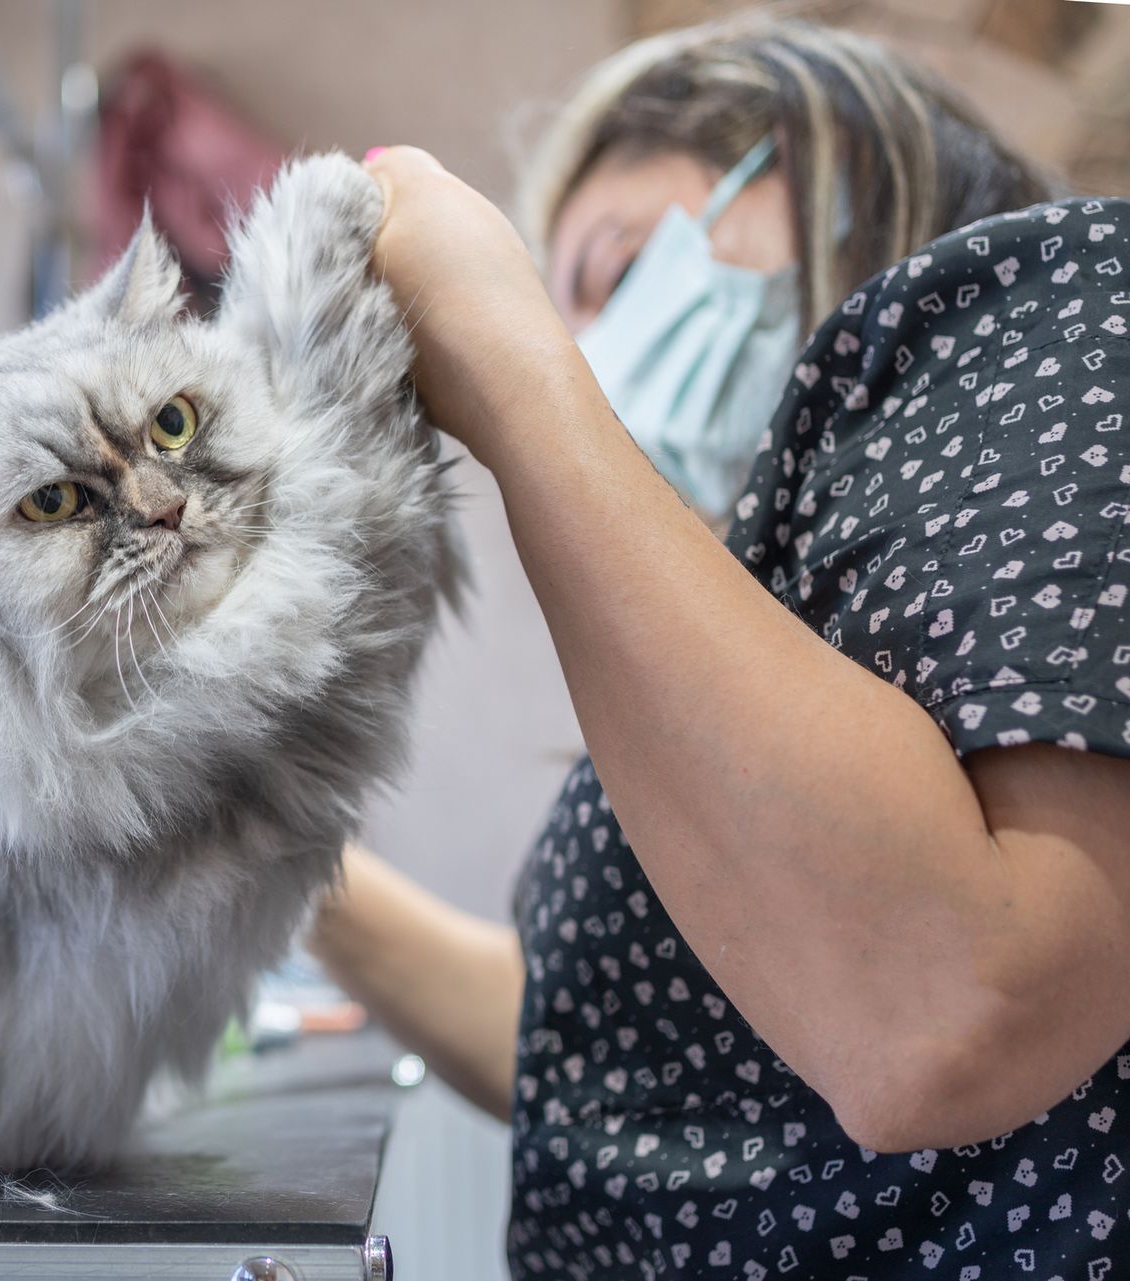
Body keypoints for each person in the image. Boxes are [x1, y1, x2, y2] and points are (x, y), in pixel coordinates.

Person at [313, 16, 1130, 1279]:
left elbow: (944, 1011)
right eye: (565, 316)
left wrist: (507, 358)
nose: (593, 350)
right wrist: (256, 841)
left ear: (817, 158)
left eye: (616, 267)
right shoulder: (792, 622)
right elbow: (612, 1072)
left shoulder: (1072, 303)